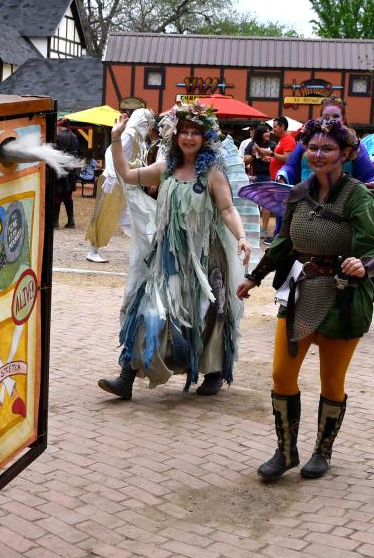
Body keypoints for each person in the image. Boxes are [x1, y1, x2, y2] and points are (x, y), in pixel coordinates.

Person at [238, 118, 374, 480]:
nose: (318, 154)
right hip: (300, 290)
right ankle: (285, 451)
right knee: (280, 374)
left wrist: (361, 264)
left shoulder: (359, 197)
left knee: (331, 381)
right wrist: (255, 276)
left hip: (344, 296)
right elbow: (284, 241)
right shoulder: (299, 192)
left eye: (328, 148)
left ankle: (322, 450)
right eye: (313, 148)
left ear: (346, 153)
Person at [97, 102, 252, 399]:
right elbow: (127, 175)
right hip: (166, 258)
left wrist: (242, 237)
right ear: (175, 136)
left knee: (209, 313)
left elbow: (228, 208)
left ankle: (214, 371)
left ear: (205, 138)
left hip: (206, 258)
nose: (189, 137)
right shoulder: (164, 171)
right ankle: (126, 376)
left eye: (196, 132)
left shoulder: (212, 174)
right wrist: (117, 140)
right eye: (184, 131)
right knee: (147, 310)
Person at [276, 97, 374, 194]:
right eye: (326, 116)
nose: (331, 120)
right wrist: (283, 176)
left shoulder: (355, 145)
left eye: (336, 116)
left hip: (342, 204)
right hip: (306, 201)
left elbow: (369, 176)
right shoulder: (305, 142)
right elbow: (291, 167)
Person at [85, 109, 152, 263]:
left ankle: (143, 250)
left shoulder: (138, 138)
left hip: (125, 183)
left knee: (135, 216)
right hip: (114, 181)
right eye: (148, 123)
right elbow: (111, 153)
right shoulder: (129, 135)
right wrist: (111, 174)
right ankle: (93, 250)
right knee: (106, 214)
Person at [244, 124, 274, 238]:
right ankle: (253, 228)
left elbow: (274, 159)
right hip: (255, 176)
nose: (268, 133)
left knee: (266, 204)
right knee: (253, 203)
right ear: (260, 133)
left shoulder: (272, 145)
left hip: (268, 176)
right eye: (266, 131)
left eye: (268, 131)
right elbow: (245, 161)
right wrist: (253, 154)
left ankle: (264, 229)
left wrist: (263, 154)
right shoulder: (251, 145)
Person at [54, 118, 80, 228]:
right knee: (68, 197)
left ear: (59, 126)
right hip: (71, 170)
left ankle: (55, 223)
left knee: (57, 196)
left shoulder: (58, 136)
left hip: (60, 169)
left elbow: (55, 153)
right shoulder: (74, 136)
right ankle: (71, 221)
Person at [269, 116, 297, 183]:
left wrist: (271, 154)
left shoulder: (288, 140)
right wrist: (270, 158)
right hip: (277, 177)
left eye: (275, 127)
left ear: (283, 127)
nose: (273, 129)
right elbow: (279, 157)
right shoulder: (282, 139)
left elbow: (287, 158)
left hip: (281, 179)